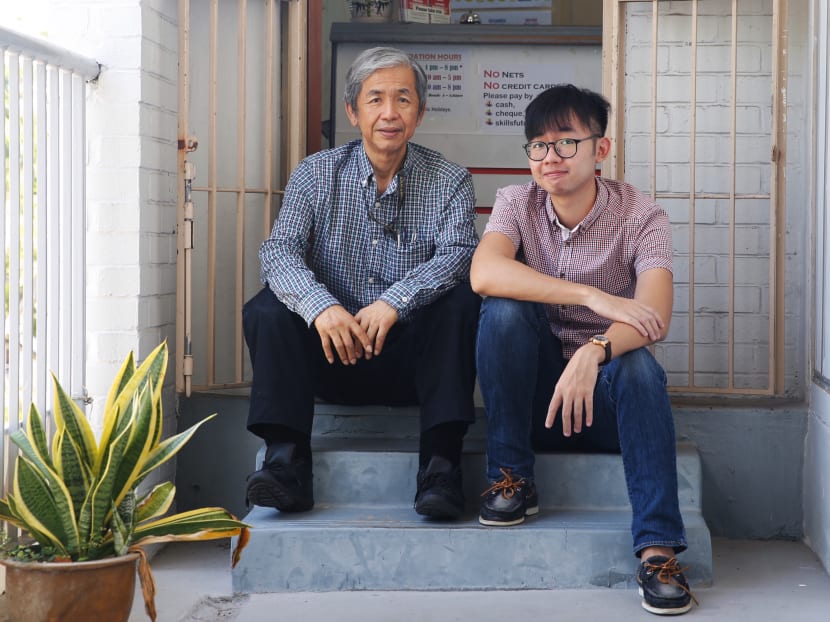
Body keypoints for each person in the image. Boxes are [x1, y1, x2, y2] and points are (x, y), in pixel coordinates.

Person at [471, 84, 696, 615]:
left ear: (601, 148)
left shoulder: (641, 214)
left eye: (567, 142)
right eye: (539, 145)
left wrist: (593, 350)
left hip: (604, 402)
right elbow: (483, 273)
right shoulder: (516, 202)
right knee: (503, 309)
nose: (550, 157)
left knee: (638, 366)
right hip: (534, 398)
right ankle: (511, 478)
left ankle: (658, 550)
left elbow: (653, 315)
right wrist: (590, 296)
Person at [242, 47, 480, 520]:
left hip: (412, 365)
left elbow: (458, 255)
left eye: (403, 100)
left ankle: (440, 467)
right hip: (332, 356)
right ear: (353, 111)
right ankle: (286, 462)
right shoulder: (316, 173)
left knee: (462, 302)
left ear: (420, 111)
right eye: (375, 100)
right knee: (267, 307)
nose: (389, 113)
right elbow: (279, 250)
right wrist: (321, 308)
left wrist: (394, 303)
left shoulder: (451, 180)